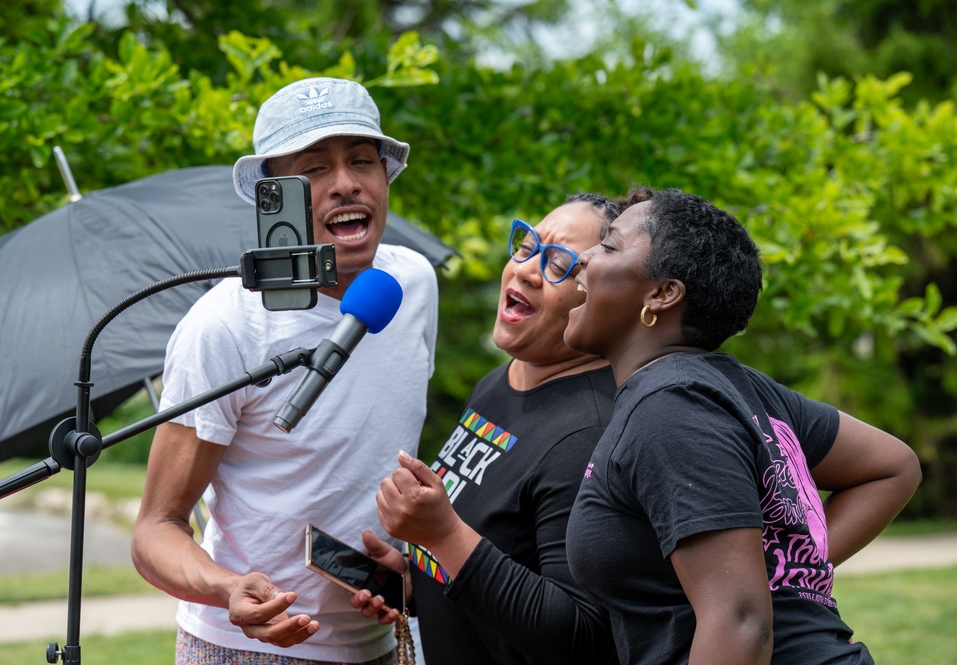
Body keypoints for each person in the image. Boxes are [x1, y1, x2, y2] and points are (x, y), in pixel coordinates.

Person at [130, 77, 439, 665]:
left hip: (383, 643)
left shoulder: (412, 285)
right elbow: (155, 532)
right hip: (245, 649)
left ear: (385, 176)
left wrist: (403, 573)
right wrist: (227, 590)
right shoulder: (224, 325)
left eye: (362, 161)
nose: (345, 182)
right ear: (275, 197)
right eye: (315, 169)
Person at [562, 188, 923, 664]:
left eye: (607, 246)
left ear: (662, 294)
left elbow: (740, 624)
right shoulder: (731, 387)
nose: (581, 259)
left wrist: (786, 575)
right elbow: (895, 465)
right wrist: (790, 569)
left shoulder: (671, 407)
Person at [358, 192, 649, 664]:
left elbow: (581, 636)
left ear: (605, 292)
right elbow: (496, 554)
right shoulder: (500, 382)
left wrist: (442, 536)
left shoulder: (590, 435)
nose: (527, 269)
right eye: (527, 245)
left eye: (560, 264)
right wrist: (415, 578)